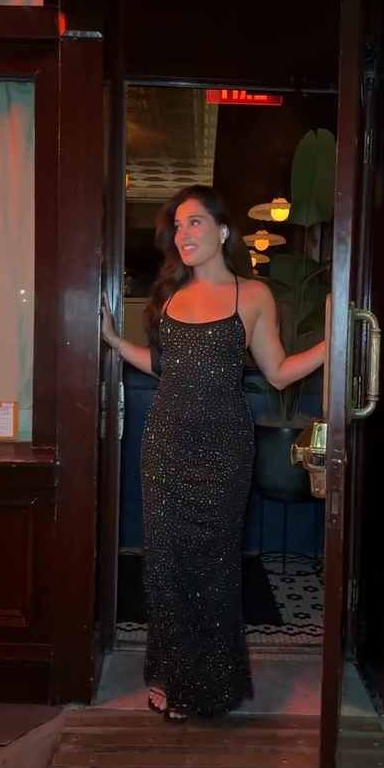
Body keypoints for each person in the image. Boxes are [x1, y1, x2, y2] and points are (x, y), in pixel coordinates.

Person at [101, 184, 325, 721]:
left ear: (223, 231)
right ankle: (171, 674)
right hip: (165, 445)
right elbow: (163, 367)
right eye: (177, 226)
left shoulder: (254, 295)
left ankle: (207, 683)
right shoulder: (169, 295)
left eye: (194, 222)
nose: (183, 234)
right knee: (166, 564)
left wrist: (332, 343)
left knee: (213, 565)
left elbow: (278, 372)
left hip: (225, 447)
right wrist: (113, 341)